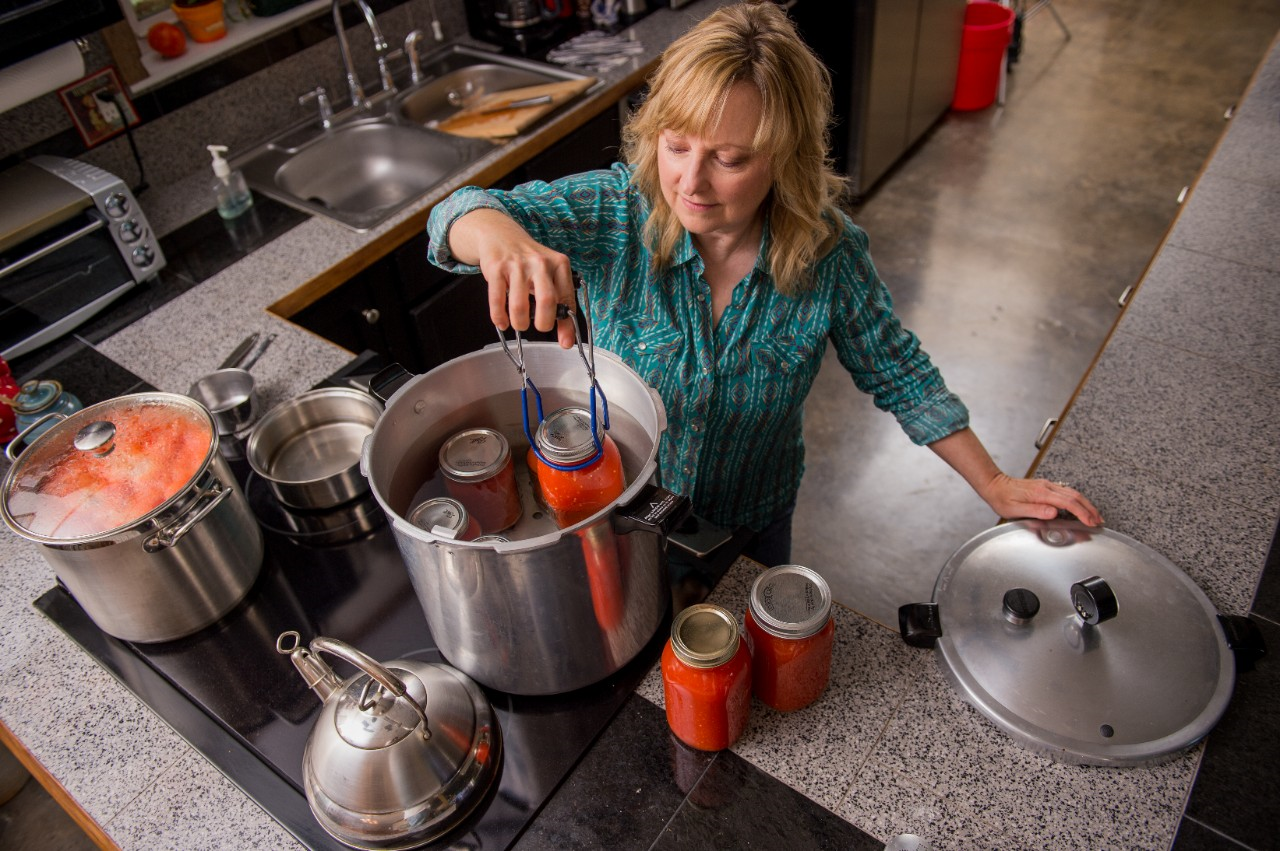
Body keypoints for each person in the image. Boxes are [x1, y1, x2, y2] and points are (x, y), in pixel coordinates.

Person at [426, 0, 1102, 565]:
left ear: (784, 155)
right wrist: (501, 238)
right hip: (623, 512)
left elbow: (899, 370)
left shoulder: (828, 257)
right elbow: (452, 218)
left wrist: (994, 482)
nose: (690, 181)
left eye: (729, 158)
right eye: (676, 144)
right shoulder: (612, 213)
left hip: (752, 524)